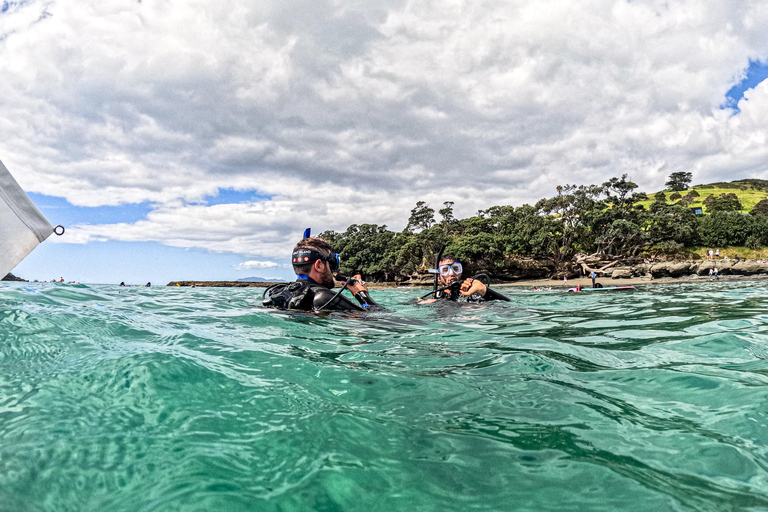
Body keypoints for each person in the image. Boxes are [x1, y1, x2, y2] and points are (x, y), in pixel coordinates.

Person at [263, 236, 385, 312]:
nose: (333, 271)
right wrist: (362, 295)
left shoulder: (279, 293)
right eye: (332, 264)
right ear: (319, 266)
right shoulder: (323, 297)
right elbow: (384, 321)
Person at [420, 255, 509, 303]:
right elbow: (410, 303)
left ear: (461, 272)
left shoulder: (472, 293)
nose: (451, 273)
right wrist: (423, 302)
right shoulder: (435, 296)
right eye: (445, 270)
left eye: (455, 268)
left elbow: (507, 303)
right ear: (438, 276)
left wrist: (484, 290)